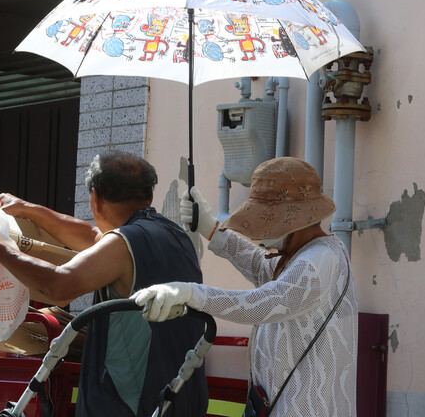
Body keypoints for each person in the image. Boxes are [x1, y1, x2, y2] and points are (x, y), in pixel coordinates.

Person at [0, 149, 208, 417]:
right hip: (182, 398)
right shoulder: (174, 235)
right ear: (148, 195)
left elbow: (58, 285)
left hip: (130, 407)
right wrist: (28, 209)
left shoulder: (123, 245)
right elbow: (92, 236)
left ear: (95, 199)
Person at [133, 157, 358, 416]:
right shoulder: (300, 255)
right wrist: (212, 230)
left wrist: (190, 293)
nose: (261, 235)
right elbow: (262, 268)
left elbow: (266, 302)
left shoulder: (320, 260)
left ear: (293, 219)